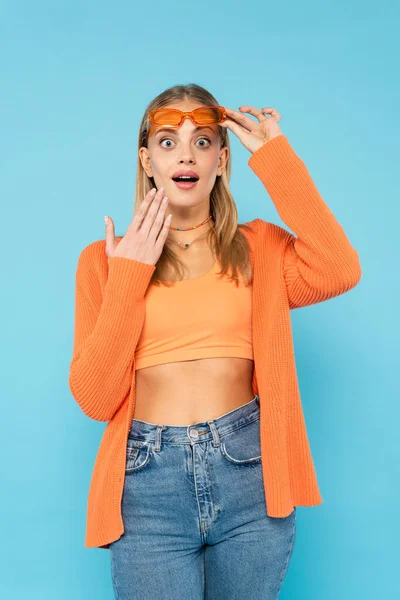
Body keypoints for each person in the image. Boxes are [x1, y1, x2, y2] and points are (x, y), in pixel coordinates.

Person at [69, 83, 362, 599]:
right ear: (147, 160)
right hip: (148, 487)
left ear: (222, 159)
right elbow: (94, 399)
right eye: (167, 142)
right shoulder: (105, 260)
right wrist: (130, 274)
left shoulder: (260, 248)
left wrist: (274, 156)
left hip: (249, 473)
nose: (185, 153)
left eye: (202, 141)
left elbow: (340, 268)